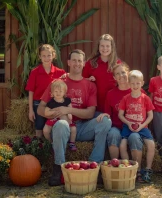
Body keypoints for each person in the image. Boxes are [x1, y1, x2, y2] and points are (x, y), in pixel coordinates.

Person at [37, 49, 111, 186]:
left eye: (80, 61)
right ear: (69, 62)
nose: (77, 63)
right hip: (63, 128)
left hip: (82, 128)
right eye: (74, 60)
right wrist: (53, 113)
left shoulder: (90, 85)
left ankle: (95, 166)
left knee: (106, 121)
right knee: (61, 124)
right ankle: (58, 168)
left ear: (84, 64)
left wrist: (68, 109)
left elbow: (89, 113)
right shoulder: (58, 83)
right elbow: (40, 108)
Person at [118, 70, 155, 182]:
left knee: (151, 144)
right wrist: (128, 123)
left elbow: (150, 115)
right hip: (128, 127)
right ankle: (130, 168)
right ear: (129, 84)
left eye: (137, 83)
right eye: (133, 83)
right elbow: (120, 114)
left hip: (142, 127)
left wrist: (143, 125)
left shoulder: (145, 98)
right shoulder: (125, 98)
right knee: (122, 145)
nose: (135, 86)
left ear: (142, 83)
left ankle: (148, 169)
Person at [25, 44, 66, 138]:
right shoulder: (35, 72)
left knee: (52, 128)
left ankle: (51, 147)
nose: (46, 58)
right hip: (38, 103)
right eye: (43, 56)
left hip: (54, 103)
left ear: (53, 56)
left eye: (49, 55)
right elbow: (31, 91)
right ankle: (40, 149)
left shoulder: (60, 72)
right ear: (39, 57)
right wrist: (30, 110)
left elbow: (68, 85)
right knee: (39, 129)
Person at [82, 34, 121, 113]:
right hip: (95, 105)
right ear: (98, 47)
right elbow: (82, 82)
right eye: (102, 46)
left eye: (107, 46)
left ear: (112, 47)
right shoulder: (90, 63)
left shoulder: (117, 64)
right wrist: (88, 80)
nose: (105, 48)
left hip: (113, 105)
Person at [43, 79, 77, 151]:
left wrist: (69, 113)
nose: (58, 93)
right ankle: (50, 142)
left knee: (74, 129)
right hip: (54, 119)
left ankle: (72, 143)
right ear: (52, 93)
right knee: (45, 130)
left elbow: (70, 109)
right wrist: (53, 112)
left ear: (64, 92)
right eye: (56, 91)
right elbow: (46, 112)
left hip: (65, 120)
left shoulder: (67, 100)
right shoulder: (51, 102)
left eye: (60, 91)